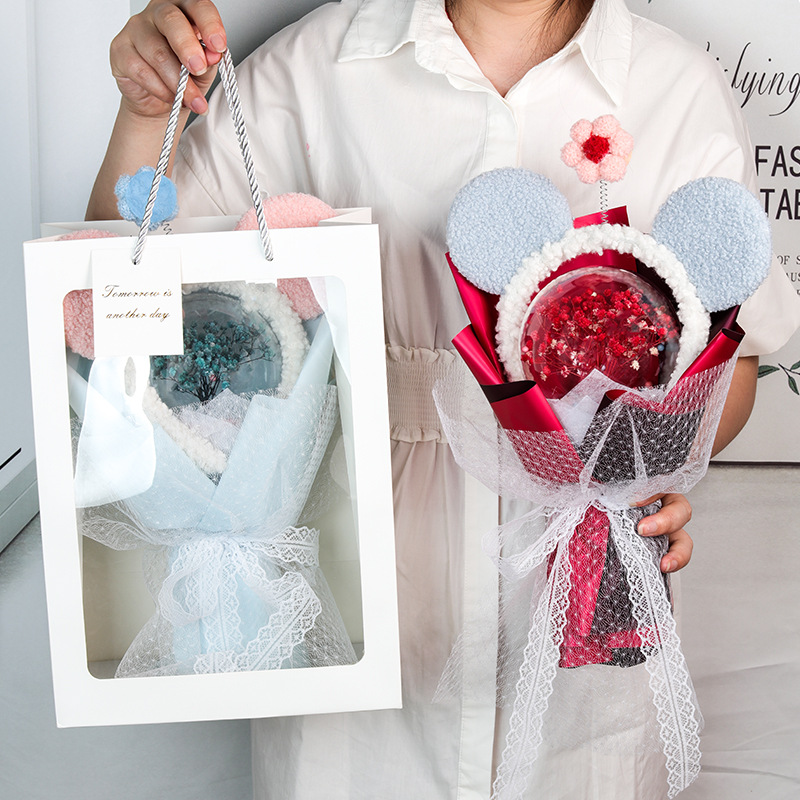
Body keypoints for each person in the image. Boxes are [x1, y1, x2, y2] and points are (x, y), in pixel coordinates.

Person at [87, 1, 800, 797]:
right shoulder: (302, 75)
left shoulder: (676, 86)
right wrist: (145, 114)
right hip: (362, 597)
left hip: (587, 592)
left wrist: (650, 461)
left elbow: (737, 361)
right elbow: (118, 315)